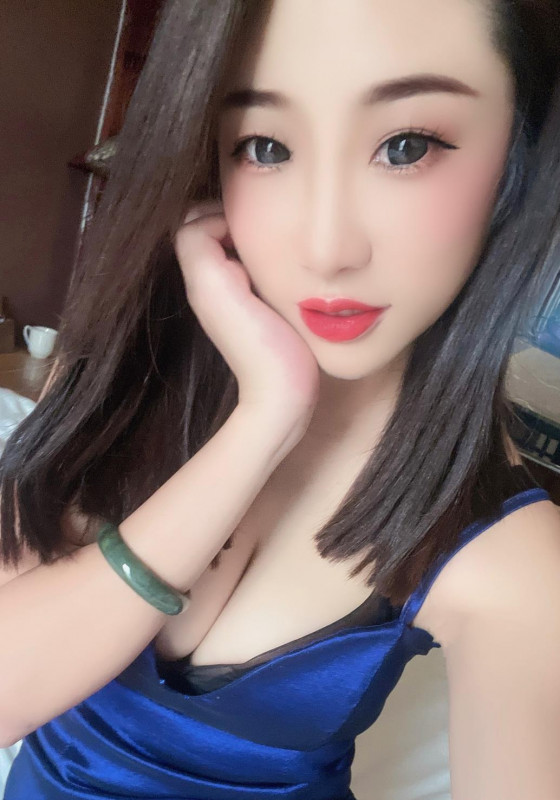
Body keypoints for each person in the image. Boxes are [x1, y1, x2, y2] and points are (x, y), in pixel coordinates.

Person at [1, 0, 559, 797]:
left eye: (406, 146)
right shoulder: (116, 374)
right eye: (265, 148)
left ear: (520, 155)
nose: (327, 248)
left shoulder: (515, 562)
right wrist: (263, 420)